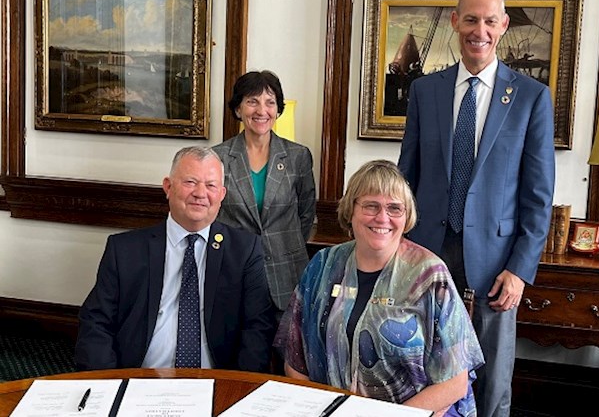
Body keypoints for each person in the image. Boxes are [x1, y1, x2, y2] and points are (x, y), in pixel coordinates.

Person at [398, 0, 555, 417]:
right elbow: (405, 180)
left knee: (489, 387)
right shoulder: (424, 92)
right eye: (470, 19)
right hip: (426, 256)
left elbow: (538, 197)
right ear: (455, 22)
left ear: (503, 26)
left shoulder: (530, 97)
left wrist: (520, 270)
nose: (479, 30)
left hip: (495, 267)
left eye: (489, 21)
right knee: (421, 372)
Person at [275, 160, 484, 417]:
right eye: (371, 205)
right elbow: (296, 360)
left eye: (394, 208)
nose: (382, 218)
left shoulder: (430, 275)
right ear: (350, 210)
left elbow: (454, 383)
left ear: (407, 216)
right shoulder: (322, 266)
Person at [75, 146, 275, 371]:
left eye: (210, 185)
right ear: (168, 187)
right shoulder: (124, 250)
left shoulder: (245, 250)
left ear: (221, 195)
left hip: (215, 382)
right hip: (140, 380)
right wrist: (110, 385)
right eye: (190, 182)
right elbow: (96, 323)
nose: (200, 193)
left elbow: (257, 328)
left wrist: (239, 390)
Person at [212, 70, 316, 321]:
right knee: (238, 356)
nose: (262, 110)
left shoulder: (298, 156)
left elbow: (306, 212)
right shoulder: (218, 158)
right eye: (252, 101)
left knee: (288, 356)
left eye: (270, 102)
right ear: (238, 109)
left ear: (278, 110)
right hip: (234, 272)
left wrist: (286, 246)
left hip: (287, 274)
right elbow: (211, 217)